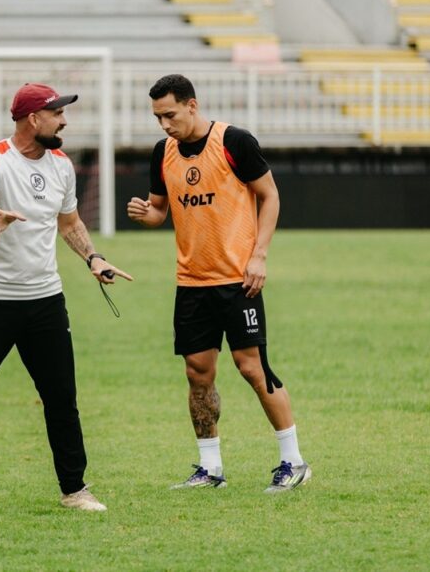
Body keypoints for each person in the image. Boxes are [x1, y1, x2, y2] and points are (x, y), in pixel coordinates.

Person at [0, 83, 132, 514]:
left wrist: (94, 257)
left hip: (45, 302)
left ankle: (75, 489)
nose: (64, 120)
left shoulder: (61, 165)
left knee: (61, 399)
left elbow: (69, 223)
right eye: (57, 114)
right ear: (34, 119)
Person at [126, 74, 310, 493]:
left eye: (170, 114)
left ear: (192, 105)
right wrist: (145, 214)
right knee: (198, 374)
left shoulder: (234, 141)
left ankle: (293, 461)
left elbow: (270, 196)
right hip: (191, 283)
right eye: (157, 117)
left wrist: (259, 255)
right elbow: (159, 212)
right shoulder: (163, 153)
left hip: (236, 280)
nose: (164, 125)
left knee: (252, 367)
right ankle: (210, 469)